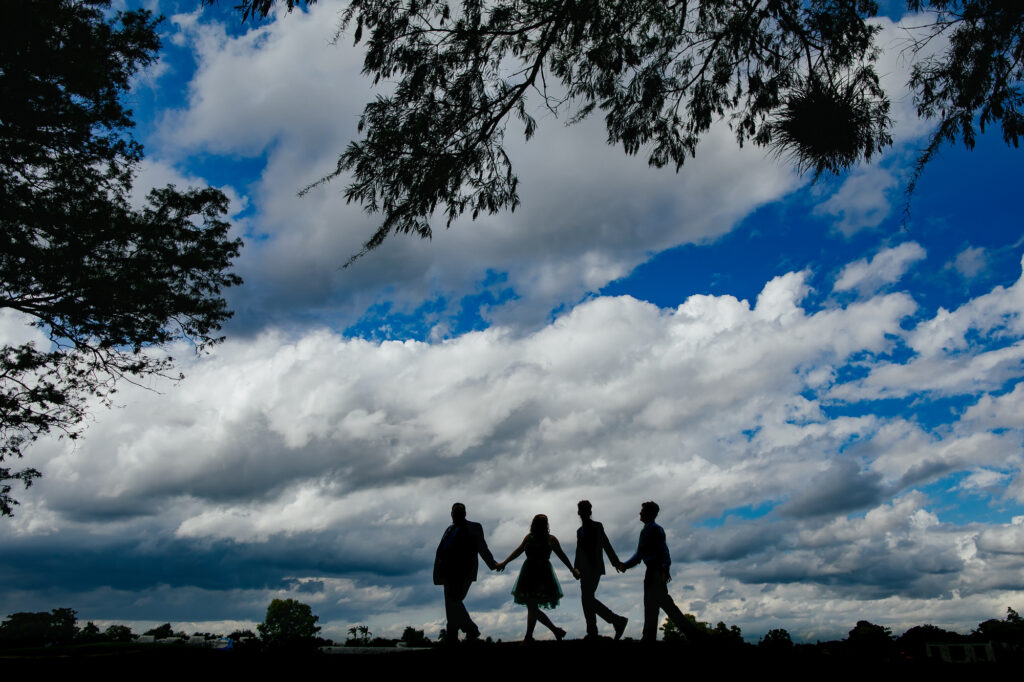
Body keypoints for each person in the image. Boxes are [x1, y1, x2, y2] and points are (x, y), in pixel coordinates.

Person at [619, 501, 698, 642]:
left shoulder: (653, 530)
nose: (640, 513)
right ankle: (650, 636)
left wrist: (664, 570)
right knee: (653, 605)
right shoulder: (650, 530)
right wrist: (626, 565)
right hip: (653, 571)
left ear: (649, 513)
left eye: (642, 511)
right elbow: (642, 554)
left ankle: (691, 634)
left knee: (661, 605)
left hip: (655, 572)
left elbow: (659, 552)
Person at [496, 514, 580, 642]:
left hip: (542, 575)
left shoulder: (551, 539)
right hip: (529, 573)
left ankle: (530, 636)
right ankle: (553, 631)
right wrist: (505, 562)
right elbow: (518, 550)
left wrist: (572, 569)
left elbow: (562, 555)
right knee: (532, 606)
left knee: (532, 606)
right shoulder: (529, 538)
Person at [433, 502, 498, 643]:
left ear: (464, 514)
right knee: (451, 602)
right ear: (451, 514)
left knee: (454, 601)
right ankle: (454, 633)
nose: (455, 515)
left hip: (464, 571)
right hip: (447, 571)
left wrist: (492, 564)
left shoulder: (474, 527)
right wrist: (437, 572)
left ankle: (468, 630)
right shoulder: (449, 529)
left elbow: (482, 547)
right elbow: (440, 551)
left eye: (458, 513)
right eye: (454, 513)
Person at [574, 500, 628, 640]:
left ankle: (605, 625)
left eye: (584, 510)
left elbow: (606, 544)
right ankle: (608, 624)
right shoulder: (579, 531)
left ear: (589, 512)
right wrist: (576, 568)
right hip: (584, 569)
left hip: (595, 568)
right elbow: (578, 551)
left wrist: (615, 562)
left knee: (587, 598)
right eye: (581, 510)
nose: (582, 513)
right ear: (579, 512)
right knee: (587, 599)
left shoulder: (598, 526)